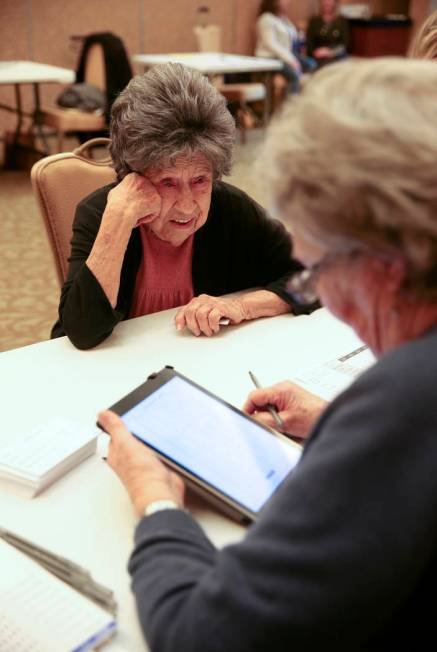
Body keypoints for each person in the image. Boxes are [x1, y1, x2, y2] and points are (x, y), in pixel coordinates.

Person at [99, 57, 437, 649]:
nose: (320, 295)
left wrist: (156, 499)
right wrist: (342, 424)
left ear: (385, 263)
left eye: (319, 272)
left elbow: (200, 635)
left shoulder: (410, 400)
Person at [52, 63, 308, 350]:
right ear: (133, 175)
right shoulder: (101, 213)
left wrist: (242, 306)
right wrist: (118, 220)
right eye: (168, 182)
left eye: (200, 180)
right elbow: (83, 331)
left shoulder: (231, 209)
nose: (187, 206)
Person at [255, 0, 316, 94]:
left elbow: (292, 37)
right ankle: (290, 106)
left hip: (287, 54)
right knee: (294, 76)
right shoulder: (266, 18)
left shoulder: (282, 18)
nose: (288, 2)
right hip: (271, 57)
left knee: (311, 64)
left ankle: (304, 98)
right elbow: (271, 44)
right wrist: (291, 60)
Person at [306, 0, 349, 67]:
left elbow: (345, 44)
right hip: (318, 57)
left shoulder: (342, 21)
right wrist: (316, 52)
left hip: (337, 56)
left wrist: (330, 52)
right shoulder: (314, 21)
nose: (327, 2)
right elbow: (309, 43)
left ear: (335, 2)